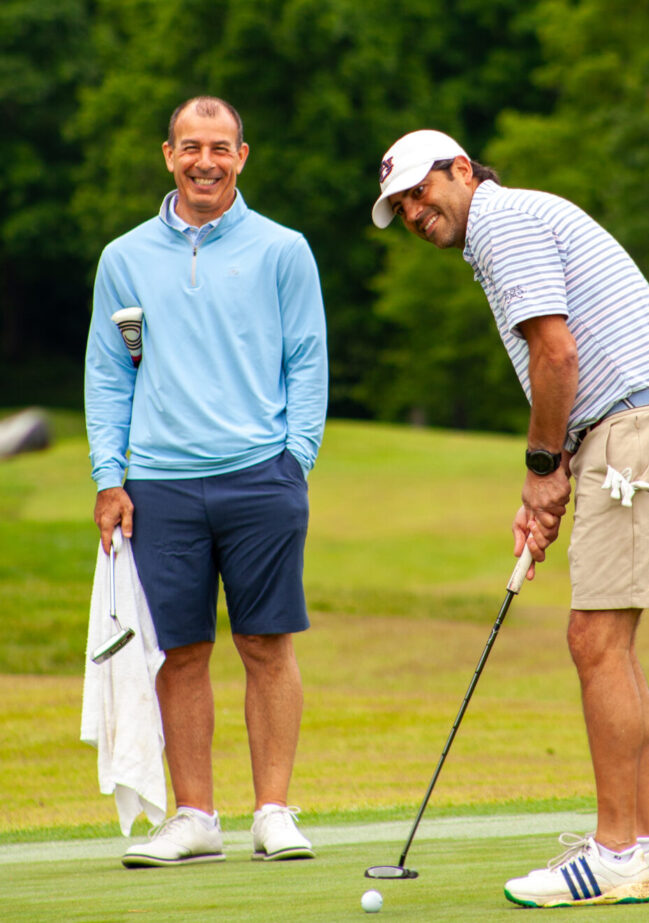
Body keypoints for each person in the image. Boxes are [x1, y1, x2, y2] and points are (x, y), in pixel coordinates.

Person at [371, 129, 649, 907]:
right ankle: (644, 846)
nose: (417, 212)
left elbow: (556, 356)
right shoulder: (508, 226)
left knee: (594, 638)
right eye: (403, 206)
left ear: (462, 170)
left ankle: (617, 848)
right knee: (610, 643)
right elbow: (561, 364)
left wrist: (541, 471)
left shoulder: (501, 222)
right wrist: (557, 467)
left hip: (637, 424)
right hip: (630, 426)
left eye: (422, 191)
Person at [85, 96, 328, 867]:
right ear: (168, 154)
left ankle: (274, 810)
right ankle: (194, 815)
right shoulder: (123, 258)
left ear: (242, 156)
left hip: (261, 475)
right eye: (191, 146)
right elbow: (109, 374)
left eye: (220, 147)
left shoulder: (282, 249)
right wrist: (109, 475)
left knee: (266, 643)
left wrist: (296, 459)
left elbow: (308, 361)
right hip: (158, 482)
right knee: (181, 651)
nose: (205, 161)